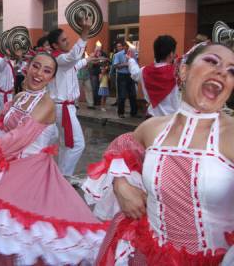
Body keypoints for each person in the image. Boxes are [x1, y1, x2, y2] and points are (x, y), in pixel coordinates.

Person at [0, 52, 107, 265]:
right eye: (36, 66)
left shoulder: (47, 103)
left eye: (47, 71)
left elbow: (19, 138)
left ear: (52, 78)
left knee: (24, 235)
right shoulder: (20, 96)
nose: (39, 73)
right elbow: (0, 131)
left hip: (32, 174)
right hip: (8, 168)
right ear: (27, 67)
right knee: (1, 232)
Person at [82, 42, 234, 265]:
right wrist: (120, 183)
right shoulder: (152, 128)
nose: (223, 71)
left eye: (232, 70)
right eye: (212, 61)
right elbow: (119, 150)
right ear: (183, 70)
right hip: (147, 253)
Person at [48, 20, 100, 177]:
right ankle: (64, 177)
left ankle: (62, 175)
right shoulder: (58, 58)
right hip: (63, 108)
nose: (67, 41)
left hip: (65, 107)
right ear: (55, 45)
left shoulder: (62, 61)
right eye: (63, 40)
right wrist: (84, 33)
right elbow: (73, 57)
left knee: (66, 145)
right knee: (77, 144)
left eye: (66, 38)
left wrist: (88, 59)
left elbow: (74, 66)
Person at [129, 35, 180, 117]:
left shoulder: (144, 71)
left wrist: (131, 59)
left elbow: (134, 73)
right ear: (171, 54)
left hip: (151, 120)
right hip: (171, 122)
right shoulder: (178, 73)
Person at [111, 40, 138, 118]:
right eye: (127, 47)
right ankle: (121, 113)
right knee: (122, 95)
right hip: (122, 75)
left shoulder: (133, 54)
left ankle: (133, 113)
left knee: (133, 94)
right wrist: (125, 64)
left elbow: (135, 64)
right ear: (123, 47)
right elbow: (115, 66)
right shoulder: (118, 55)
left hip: (131, 75)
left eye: (129, 47)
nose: (128, 48)